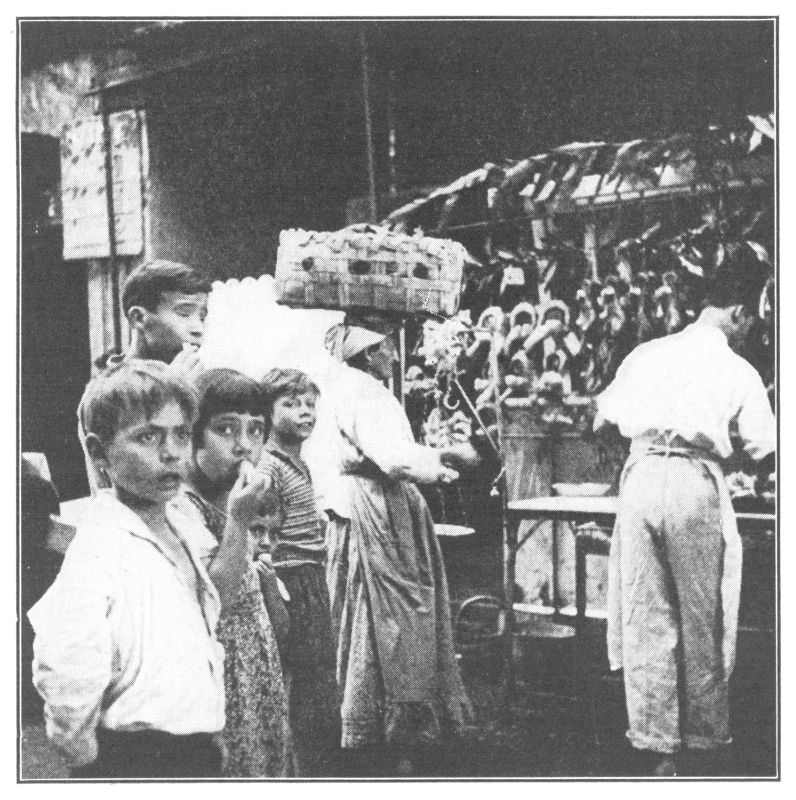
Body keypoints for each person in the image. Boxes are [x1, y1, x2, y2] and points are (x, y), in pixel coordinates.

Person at [28, 360, 272, 779]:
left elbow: (211, 610)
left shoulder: (183, 526)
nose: (171, 452)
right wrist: (85, 755)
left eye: (180, 434)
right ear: (98, 451)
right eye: (147, 437)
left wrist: (207, 731)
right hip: (134, 755)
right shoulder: (101, 545)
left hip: (193, 748)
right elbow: (65, 664)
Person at [594, 241, 776, 777]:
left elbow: (601, 417)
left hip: (642, 477)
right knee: (702, 615)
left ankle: (658, 747)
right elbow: (765, 446)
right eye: (750, 320)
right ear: (738, 312)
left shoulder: (648, 352)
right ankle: (702, 736)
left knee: (647, 613)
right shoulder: (735, 366)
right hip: (693, 483)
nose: (750, 331)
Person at [323, 322, 472, 776]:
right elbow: (393, 456)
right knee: (391, 611)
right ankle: (391, 730)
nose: (393, 356)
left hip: (367, 500)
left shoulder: (343, 387)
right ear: (367, 354)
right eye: (386, 348)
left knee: (373, 606)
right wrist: (444, 462)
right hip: (377, 504)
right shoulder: (365, 393)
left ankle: (370, 720)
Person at [176, 368, 293, 777]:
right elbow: (216, 597)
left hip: (254, 653)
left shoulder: (235, 491)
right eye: (225, 430)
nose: (244, 445)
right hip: (218, 661)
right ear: (192, 433)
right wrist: (238, 521)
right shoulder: (181, 504)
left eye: (256, 431)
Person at [259, 368, 339, 777]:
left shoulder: (295, 462)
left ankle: (308, 763)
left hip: (310, 574)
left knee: (318, 674)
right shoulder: (269, 467)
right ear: (267, 412)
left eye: (310, 404)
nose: (304, 413)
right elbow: (265, 540)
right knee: (306, 678)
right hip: (291, 579)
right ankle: (302, 771)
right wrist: (277, 591)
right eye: (290, 404)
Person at [78, 260, 212, 494]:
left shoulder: (193, 379)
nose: (198, 328)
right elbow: (117, 483)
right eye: (184, 313)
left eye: (202, 316)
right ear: (139, 319)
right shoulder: (106, 392)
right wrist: (171, 391)